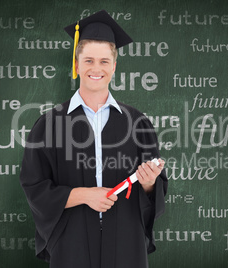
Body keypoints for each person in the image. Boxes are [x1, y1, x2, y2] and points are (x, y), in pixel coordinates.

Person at [19, 9, 168, 268]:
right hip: (71, 242)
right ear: (76, 64)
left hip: (126, 243)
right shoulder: (50, 123)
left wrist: (148, 184)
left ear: (114, 66)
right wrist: (84, 195)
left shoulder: (137, 123)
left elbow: (156, 191)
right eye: (88, 60)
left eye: (104, 61)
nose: (96, 69)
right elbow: (34, 186)